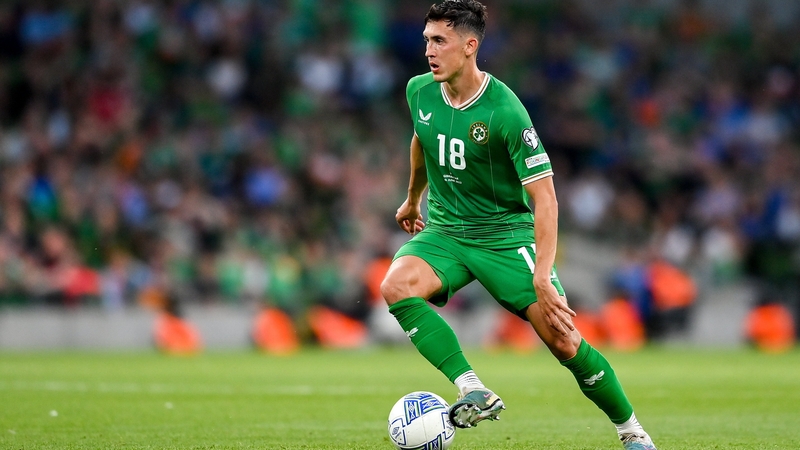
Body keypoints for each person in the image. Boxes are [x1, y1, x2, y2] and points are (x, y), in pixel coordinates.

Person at [379, 2, 657, 449]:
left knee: (564, 341)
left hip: (504, 237)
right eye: (427, 39)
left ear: (469, 46)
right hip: (446, 232)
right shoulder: (419, 91)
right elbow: (421, 140)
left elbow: (545, 198)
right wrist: (413, 199)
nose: (429, 50)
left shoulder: (505, 111)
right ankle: (472, 388)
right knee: (395, 285)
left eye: (440, 41)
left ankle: (632, 432)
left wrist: (542, 275)